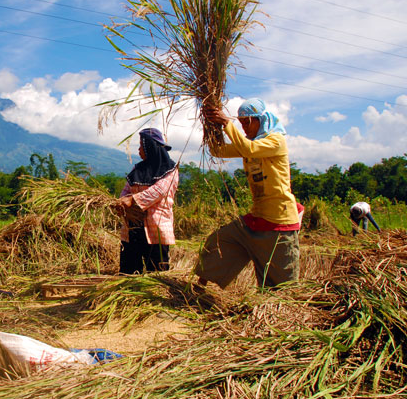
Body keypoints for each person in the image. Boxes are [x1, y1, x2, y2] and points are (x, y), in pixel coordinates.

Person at [195, 98, 300, 289]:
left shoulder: (276, 141)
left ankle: (278, 312)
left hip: (279, 220)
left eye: (247, 123)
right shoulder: (249, 143)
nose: (243, 128)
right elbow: (217, 150)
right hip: (257, 217)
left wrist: (227, 123)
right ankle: (198, 289)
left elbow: (247, 148)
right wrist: (212, 125)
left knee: (281, 284)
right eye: (241, 123)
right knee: (221, 239)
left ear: (261, 120)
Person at [114, 127, 179, 274]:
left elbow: (159, 191)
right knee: (128, 270)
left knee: (156, 272)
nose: (139, 150)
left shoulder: (170, 170)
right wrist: (121, 202)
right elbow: (127, 189)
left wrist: (133, 200)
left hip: (155, 227)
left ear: (150, 147)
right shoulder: (138, 169)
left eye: (141, 146)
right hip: (133, 227)